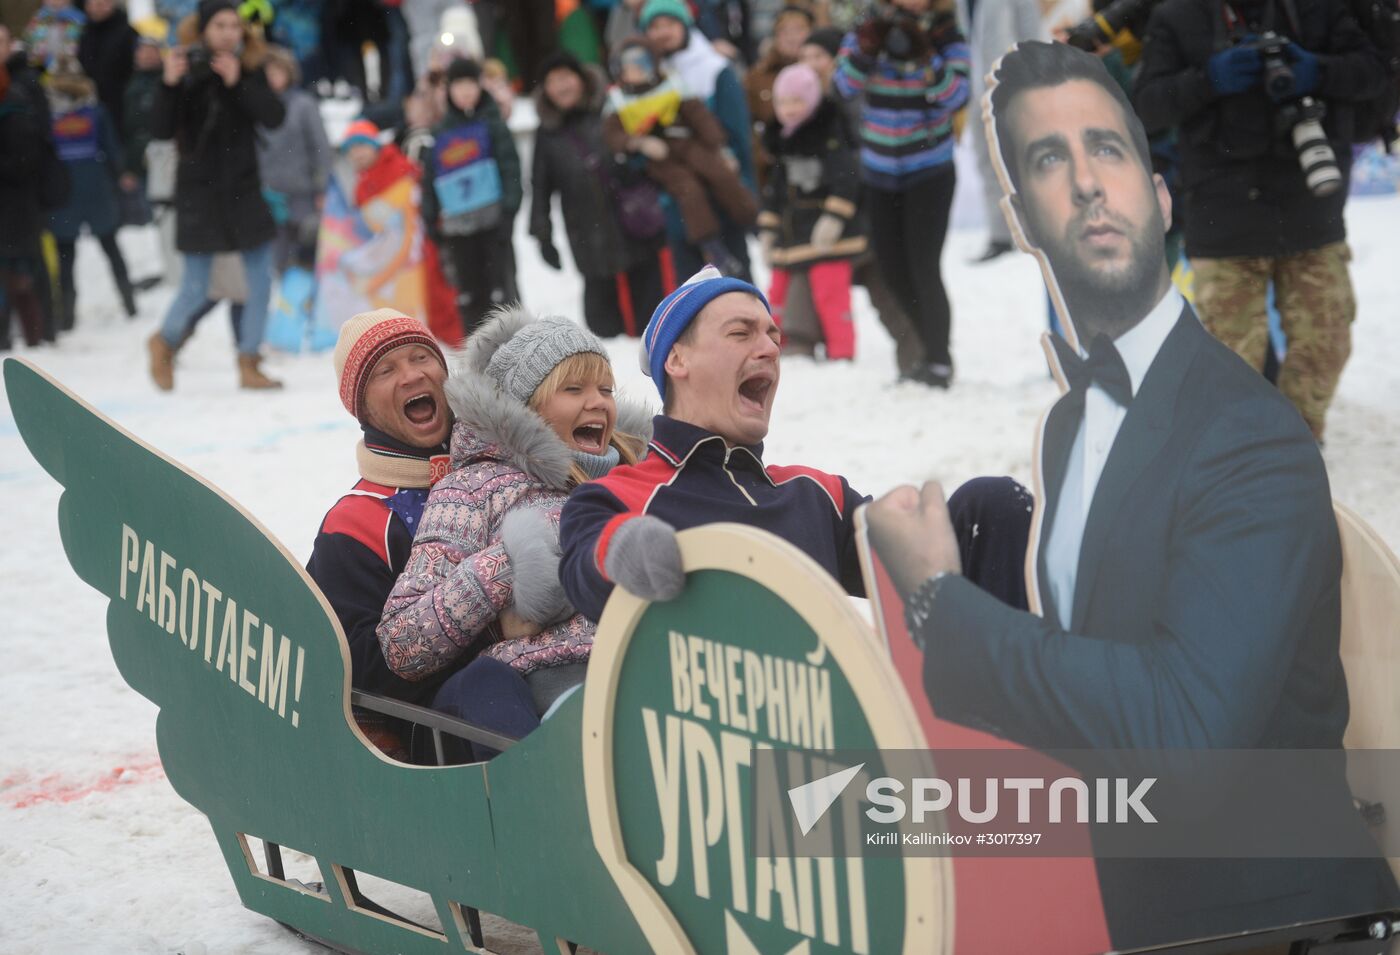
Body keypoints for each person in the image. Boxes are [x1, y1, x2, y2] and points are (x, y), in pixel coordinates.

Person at [864, 40, 1400, 949]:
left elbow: (1182, 735)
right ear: (1022, 216)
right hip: (1123, 890)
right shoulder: (1072, 425)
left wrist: (941, 603)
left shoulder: (1248, 430)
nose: (1084, 183)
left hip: (1271, 910)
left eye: (1107, 149)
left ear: (1158, 197)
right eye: (1048, 160)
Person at [377, 308, 650, 755]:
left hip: (637, 676)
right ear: (527, 407)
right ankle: (544, 802)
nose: (598, 402)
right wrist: (509, 563)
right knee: (482, 684)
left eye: (605, 389)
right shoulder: (473, 488)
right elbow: (403, 641)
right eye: (574, 389)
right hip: (527, 695)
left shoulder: (637, 479)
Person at [557, 265, 871, 622]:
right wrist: (623, 549)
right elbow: (585, 574)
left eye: (773, 336)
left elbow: (923, 561)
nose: (770, 348)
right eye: (740, 333)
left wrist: (935, 522)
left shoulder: (819, 495)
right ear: (677, 359)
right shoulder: (618, 498)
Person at [1133, 0, 1387, 441]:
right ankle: (1241, 457)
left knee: (1326, 343)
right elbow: (1147, 106)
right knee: (1230, 361)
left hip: (1309, 205)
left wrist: (1317, 71)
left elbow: (1375, 73)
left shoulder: (1320, 9)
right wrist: (1209, 79)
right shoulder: (1178, 14)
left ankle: (1295, 443)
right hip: (1221, 210)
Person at [306, 309, 454, 757]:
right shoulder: (355, 522)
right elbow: (358, 673)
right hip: (441, 742)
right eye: (386, 370)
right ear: (361, 406)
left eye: (421, 357)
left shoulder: (502, 471)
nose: (411, 375)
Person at [145, 0, 287, 391]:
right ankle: (164, 341)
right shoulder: (186, 68)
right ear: (204, 29)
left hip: (243, 191)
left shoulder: (251, 67)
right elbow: (158, 130)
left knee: (260, 282)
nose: (228, 32)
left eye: (234, 25)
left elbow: (274, 117)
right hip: (199, 195)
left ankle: (249, 361)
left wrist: (238, 82)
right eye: (220, 25)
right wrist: (169, 83)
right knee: (195, 284)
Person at [835, 0, 969, 387]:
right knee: (892, 270)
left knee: (924, 266)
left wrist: (927, 56)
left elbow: (957, 96)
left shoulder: (946, 32)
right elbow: (842, 86)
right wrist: (867, 49)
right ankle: (917, 353)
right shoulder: (867, 27)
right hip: (878, 170)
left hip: (929, 169)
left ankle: (939, 360)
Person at [531, 50, 667, 338]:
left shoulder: (610, 107)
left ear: (581, 79)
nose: (562, 86)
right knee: (600, 311)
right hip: (585, 227)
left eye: (566, 77)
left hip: (630, 215)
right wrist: (543, 235)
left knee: (649, 297)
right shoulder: (547, 133)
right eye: (553, 81)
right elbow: (540, 186)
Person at [602, 38, 758, 278]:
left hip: (687, 142)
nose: (637, 71)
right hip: (660, 157)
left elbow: (699, 116)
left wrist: (719, 146)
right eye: (629, 66)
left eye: (642, 64)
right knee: (688, 189)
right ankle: (712, 246)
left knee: (720, 172)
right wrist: (639, 143)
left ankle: (750, 217)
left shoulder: (671, 85)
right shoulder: (618, 99)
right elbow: (613, 135)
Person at [641, 0, 757, 279]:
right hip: (674, 200)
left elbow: (738, 136)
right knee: (690, 295)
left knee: (735, 286)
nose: (662, 32)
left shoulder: (714, 69)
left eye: (669, 24)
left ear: (685, 25)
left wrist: (745, 187)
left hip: (719, 193)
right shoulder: (644, 74)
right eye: (654, 27)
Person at [758, 62, 864, 360]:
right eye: (783, 102)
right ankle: (772, 350)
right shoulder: (780, 139)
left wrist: (834, 217)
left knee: (831, 295)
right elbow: (775, 190)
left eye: (797, 101)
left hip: (826, 234)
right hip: (791, 233)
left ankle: (842, 352)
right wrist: (767, 228)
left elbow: (846, 178)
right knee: (775, 295)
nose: (789, 109)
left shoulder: (830, 133)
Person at [420, 57, 522, 335]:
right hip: (457, 232)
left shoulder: (493, 124)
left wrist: (509, 212)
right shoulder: (439, 133)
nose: (465, 91)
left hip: (494, 225)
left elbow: (511, 169)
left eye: (470, 84)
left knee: (503, 295)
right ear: (449, 90)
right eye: (458, 85)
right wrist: (430, 221)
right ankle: (478, 361)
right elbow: (430, 180)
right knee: (469, 298)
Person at [46, 62, 138, 328]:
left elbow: (109, 147)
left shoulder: (68, 114)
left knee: (76, 253)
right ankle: (122, 304)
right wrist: (119, 173)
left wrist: (120, 172)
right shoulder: (93, 111)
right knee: (101, 248)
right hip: (81, 189)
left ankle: (68, 316)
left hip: (74, 191)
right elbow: (111, 148)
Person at [955, 0, 1045, 263]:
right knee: (987, 160)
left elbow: (1031, 33)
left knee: (1024, 158)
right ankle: (1001, 234)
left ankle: (1039, 228)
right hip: (974, 88)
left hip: (1011, 86)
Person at [256, 45, 332, 274]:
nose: (272, 77)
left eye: (277, 70)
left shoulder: (304, 105)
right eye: (267, 72)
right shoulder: (255, 106)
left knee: (309, 256)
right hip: (268, 196)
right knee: (279, 261)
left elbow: (320, 147)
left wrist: (322, 187)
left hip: (303, 195)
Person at [0, 42, 53, 350]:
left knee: (20, 278)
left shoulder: (16, 110)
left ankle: (36, 337)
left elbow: (25, 164)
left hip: (16, 210)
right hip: (10, 213)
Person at [745, 4, 814, 187]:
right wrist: (762, 153)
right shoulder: (756, 76)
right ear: (775, 37)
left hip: (815, 169)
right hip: (772, 171)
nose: (792, 37)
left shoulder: (821, 74)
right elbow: (746, 122)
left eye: (799, 30)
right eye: (784, 31)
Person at [77, 0, 137, 133]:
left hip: (119, 100)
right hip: (90, 99)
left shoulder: (126, 32)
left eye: (100, 4)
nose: (95, 8)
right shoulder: (84, 31)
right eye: (91, 4)